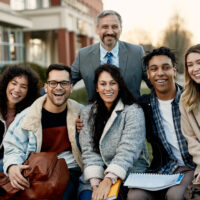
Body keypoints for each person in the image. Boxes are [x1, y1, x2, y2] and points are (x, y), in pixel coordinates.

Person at [3, 64, 83, 200]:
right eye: (53, 83)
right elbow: (13, 147)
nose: (58, 87)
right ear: (45, 87)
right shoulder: (27, 116)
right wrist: (12, 166)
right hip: (36, 172)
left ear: (71, 87)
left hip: (69, 171)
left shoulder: (82, 113)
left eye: (64, 83)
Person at [127, 47, 195, 200]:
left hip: (191, 167)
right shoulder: (145, 105)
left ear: (174, 70)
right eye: (154, 69)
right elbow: (121, 122)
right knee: (135, 196)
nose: (160, 73)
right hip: (163, 168)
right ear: (148, 74)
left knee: (175, 196)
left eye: (166, 67)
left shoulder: (190, 99)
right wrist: (82, 121)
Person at [79, 64, 148, 200]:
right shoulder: (87, 113)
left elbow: (128, 150)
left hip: (128, 172)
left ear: (119, 86)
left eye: (113, 83)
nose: (108, 88)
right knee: (88, 197)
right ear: (97, 88)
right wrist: (95, 184)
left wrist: (109, 179)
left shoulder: (133, 111)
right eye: (103, 84)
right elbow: (88, 151)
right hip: (97, 174)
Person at [71, 10, 151, 102]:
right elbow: (66, 81)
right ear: (97, 29)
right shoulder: (83, 55)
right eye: (105, 27)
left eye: (114, 27)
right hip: (97, 114)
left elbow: (154, 83)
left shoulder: (136, 52)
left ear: (121, 28)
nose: (110, 32)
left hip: (131, 114)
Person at [0, 65, 41, 172]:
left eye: (23, 86)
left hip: (18, 160)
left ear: (29, 91)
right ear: (6, 84)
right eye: (14, 83)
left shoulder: (31, 113)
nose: (17, 90)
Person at [180, 44, 200, 183]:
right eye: (190, 65)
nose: (195, 69)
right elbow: (191, 140)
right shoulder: (186, 99)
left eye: (199, 63)